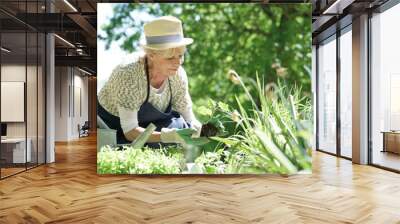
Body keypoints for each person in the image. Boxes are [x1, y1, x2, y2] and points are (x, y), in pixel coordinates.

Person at [97, 16, 202, 147]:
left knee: (180, 124)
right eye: (170, 58)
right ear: (152, 55)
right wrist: (168, 136)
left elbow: (188, 117)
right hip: (115, 127)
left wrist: (197, 127)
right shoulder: (128, 73)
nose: (178, 63)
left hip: (152, 126)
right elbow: (130, 131)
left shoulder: (178, 75)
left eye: (180, 56)